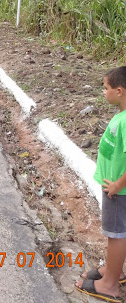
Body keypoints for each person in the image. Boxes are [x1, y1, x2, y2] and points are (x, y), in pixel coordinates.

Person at [75, 66, 126, 303]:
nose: (103, 92)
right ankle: (114, 270)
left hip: (118, 191)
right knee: (116, 234)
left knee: (116, 235)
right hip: (115, 188)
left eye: (105, 88)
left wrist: (117, 185)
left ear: (119, 91)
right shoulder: (122, 114)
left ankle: (109, 285)